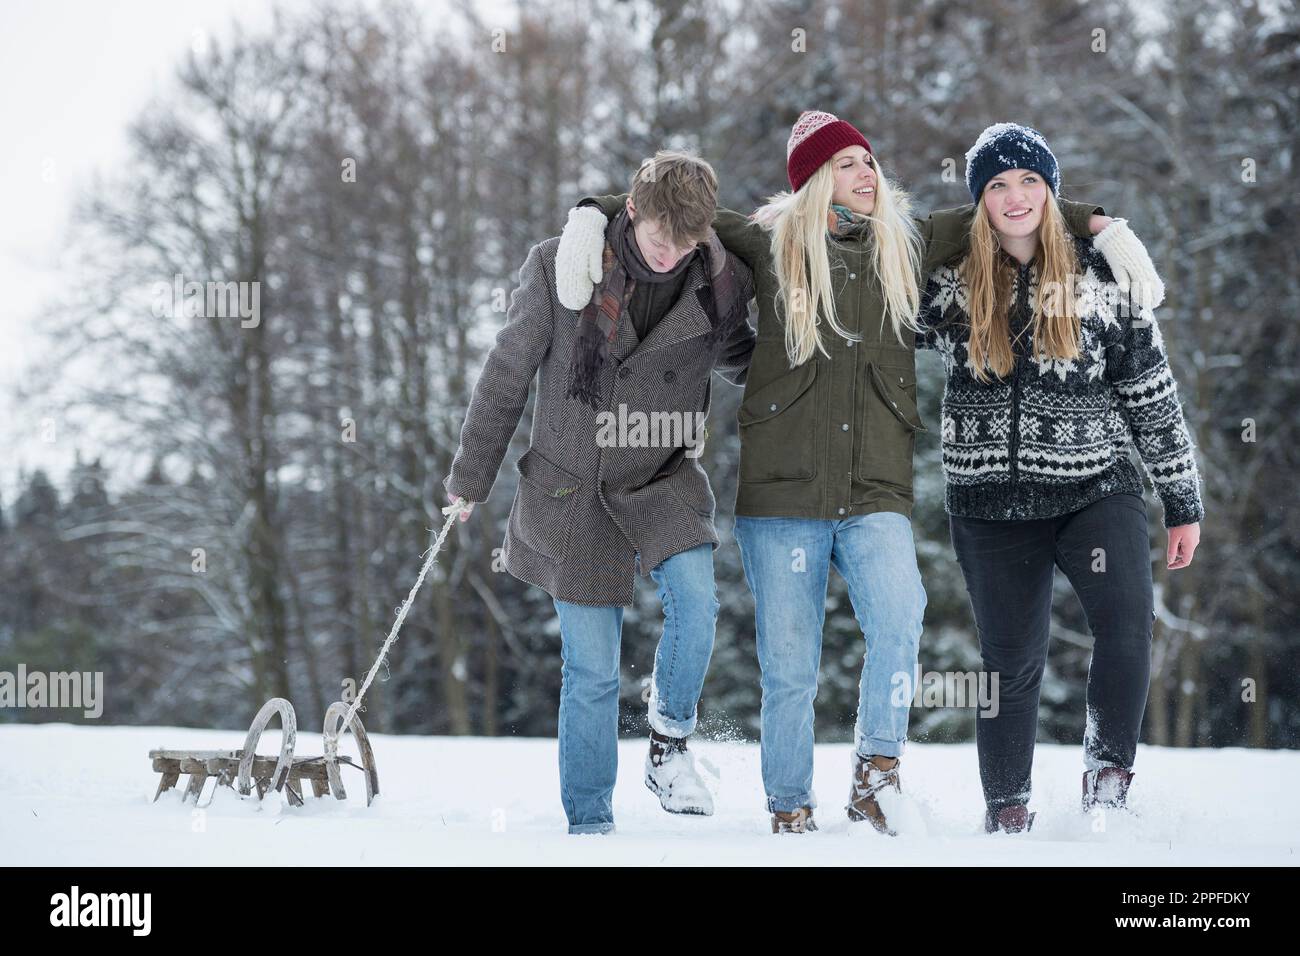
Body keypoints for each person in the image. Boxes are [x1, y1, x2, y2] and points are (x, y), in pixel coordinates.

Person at [553, 111, 1163, 833]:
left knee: (901, 618)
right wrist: (590, 215)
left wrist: (1100, 226)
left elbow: (1006, 204)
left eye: (867, 161)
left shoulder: (907, 239)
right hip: (782, 498)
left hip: (875, 491)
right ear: (814, 180)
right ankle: (790, 809)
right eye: (845, 165)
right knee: (790, 667)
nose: (865, 174)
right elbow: (668, 206)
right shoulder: (767, 241)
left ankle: (877, 776)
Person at [444, 150, 757, 834]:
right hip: (573, 490)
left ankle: (669, 742)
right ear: (633, 212)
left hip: (663, 479)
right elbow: (506, 373)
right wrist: (471, 477)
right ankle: (590, 827)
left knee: (699, 607)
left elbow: (741, 358)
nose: (671, 256)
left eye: (687, 243)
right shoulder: (564, 265)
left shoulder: (711, 281)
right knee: (591, 673)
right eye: (657, 239)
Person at [915, 122, 1204, 833]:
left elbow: (1151, 394)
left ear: (1052, 191)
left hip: (1095, 490)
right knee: (1008, 663)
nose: (1016, 199)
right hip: (989, 503)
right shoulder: (949, 283)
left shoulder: (1104, 274)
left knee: (1127, 624)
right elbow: (877, 293)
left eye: (1031, 183)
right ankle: (1007, 811)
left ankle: (1108, 780)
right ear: (978, 200)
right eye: (997, 186)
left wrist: (1182, 500)